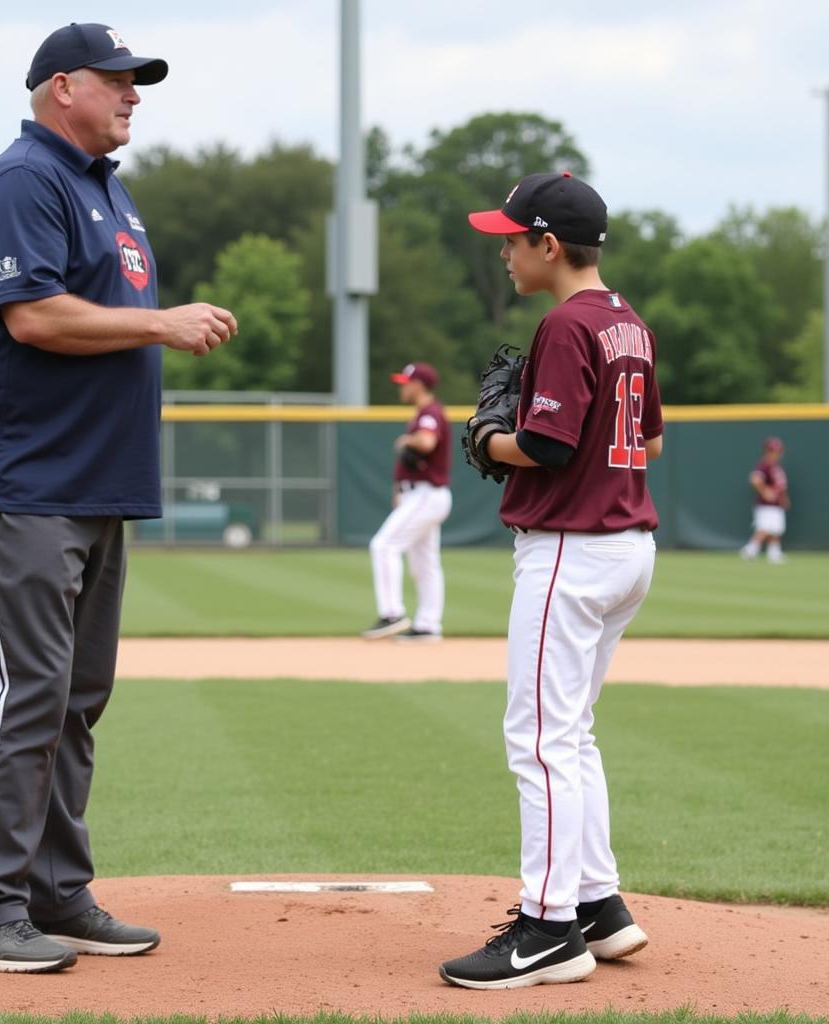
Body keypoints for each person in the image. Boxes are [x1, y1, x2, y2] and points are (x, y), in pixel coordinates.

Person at [0, 23, 237, 974]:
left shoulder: (106, 188)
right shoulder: (27, 178)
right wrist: (162, 322)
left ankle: (54, 893)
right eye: (117, 80)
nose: (134, 93)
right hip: (18, 480)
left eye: (137, 81)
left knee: (72, 702)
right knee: (21, 698)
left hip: (92, 484)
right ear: (61, 87)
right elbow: (34, 315)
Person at [439, 172, 663, 989]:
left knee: (538, 740)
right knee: (572, 733)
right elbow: (652, 445)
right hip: (627, 544)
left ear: (549, 244)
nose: (503, 249)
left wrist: (484, 436)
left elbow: (548, 450)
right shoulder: (627, 323)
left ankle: (545, 930)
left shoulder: (566, 325)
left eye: (512, 236)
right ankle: (598, 905)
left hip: (571, 546)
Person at [362, 362, 452, 641]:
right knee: (425, 564)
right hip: (421, 493)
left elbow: (426, 443)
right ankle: (428, 625)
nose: (402, 387)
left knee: (384, 545)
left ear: (419, 385)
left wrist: (405, 441)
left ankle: (392, 613)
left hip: (427, 493)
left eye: (406, 382)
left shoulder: (429, 414)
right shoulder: (426, 413)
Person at [740, 437, 790, 564]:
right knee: (765, 528)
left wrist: (784, 498)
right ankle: (749, 550)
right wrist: (764, 491)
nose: (776, 453)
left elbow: (781, 486)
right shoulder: (764, 465)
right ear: (767, 451)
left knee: (776, 529)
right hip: (766, 504)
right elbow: (755, 478)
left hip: (776, 504)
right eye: (772, 450)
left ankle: (774, 554)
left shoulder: (775, 466)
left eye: (778, 451)